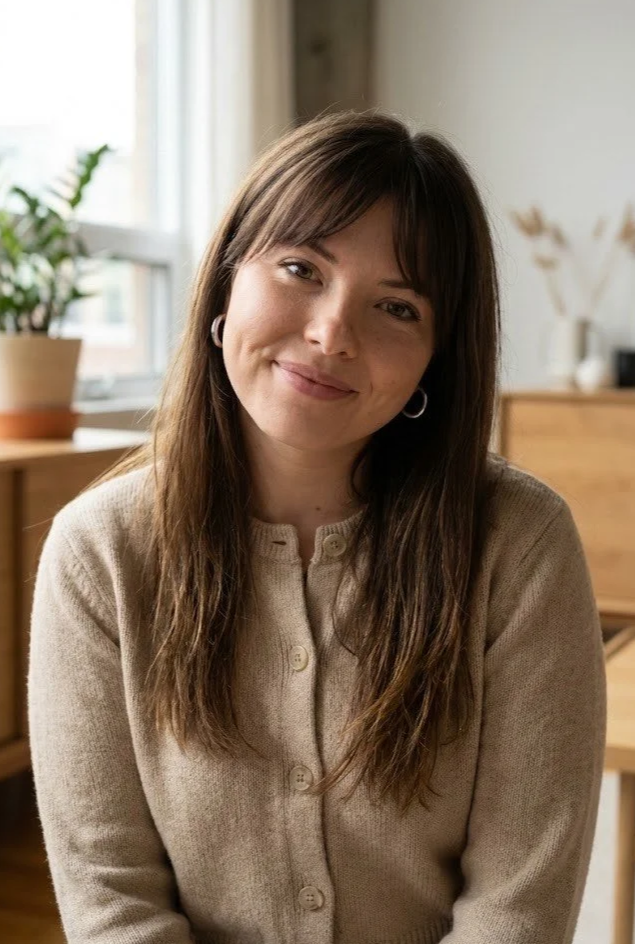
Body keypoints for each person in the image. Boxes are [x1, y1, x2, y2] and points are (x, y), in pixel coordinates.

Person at [27, 110, 606, 944]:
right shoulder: (99, 552)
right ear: (226, 281)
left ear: (435, 358)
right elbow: (113, 904)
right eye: (301, 267)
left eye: (396, 306)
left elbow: (516, 907)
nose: (331, 331)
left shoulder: (519, 542)